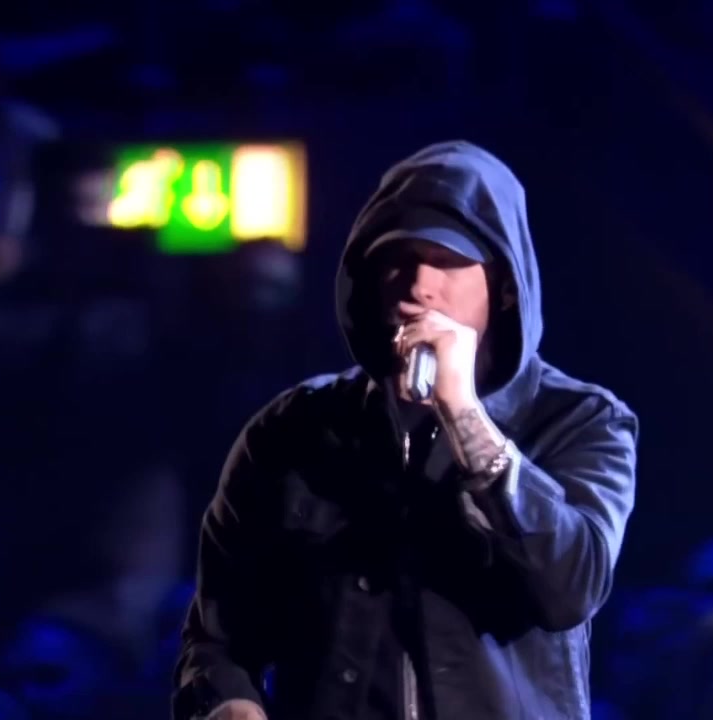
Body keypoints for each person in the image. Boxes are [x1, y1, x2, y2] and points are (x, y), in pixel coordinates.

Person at [173, 141, 639, 720]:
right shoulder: (291, 431)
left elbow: (571, 588)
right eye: (399, 259)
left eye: (448, 261)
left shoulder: (580, 421)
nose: (420, 285)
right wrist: (229, 702)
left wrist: (465, 418)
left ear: (504, 285)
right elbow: (217, 636)